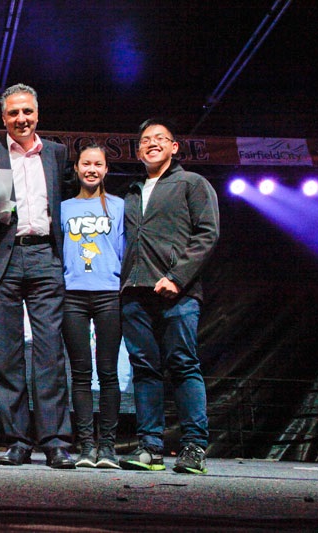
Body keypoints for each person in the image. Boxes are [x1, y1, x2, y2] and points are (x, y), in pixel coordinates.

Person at [0, 83, 76, 469]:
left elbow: (69, 205)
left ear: (37, 113)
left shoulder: (57, 153)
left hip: (45, 257)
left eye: (27, 112)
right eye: (13, 113)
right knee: (6, 355)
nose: (21, 119)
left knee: (49, 354)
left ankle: (55, 441)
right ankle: (18, 440)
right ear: (4, 117)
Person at [119, 118, 220, 474]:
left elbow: (207, 234)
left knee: (182, 365)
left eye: (160, 138)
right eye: (145, 139)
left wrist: (176, 277)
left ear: (174, 147)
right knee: (145, 371)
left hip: (178, 293)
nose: (152, 143)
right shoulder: (132, 191)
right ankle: (150, 447)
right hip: (134, 293)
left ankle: (194, 447)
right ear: (138, 150)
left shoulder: (193, 183)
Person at [60, 144, 124, 469]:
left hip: (109, 295)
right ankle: (87, 447)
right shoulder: (63, 208)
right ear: (77, 168)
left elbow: (126, 252)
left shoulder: (120, 207)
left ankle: (108, 448)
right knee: (81, 374)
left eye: (98, 164)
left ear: (106, 169)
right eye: (86, 163)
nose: (92, 169)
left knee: (109, 373)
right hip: (72, 295)